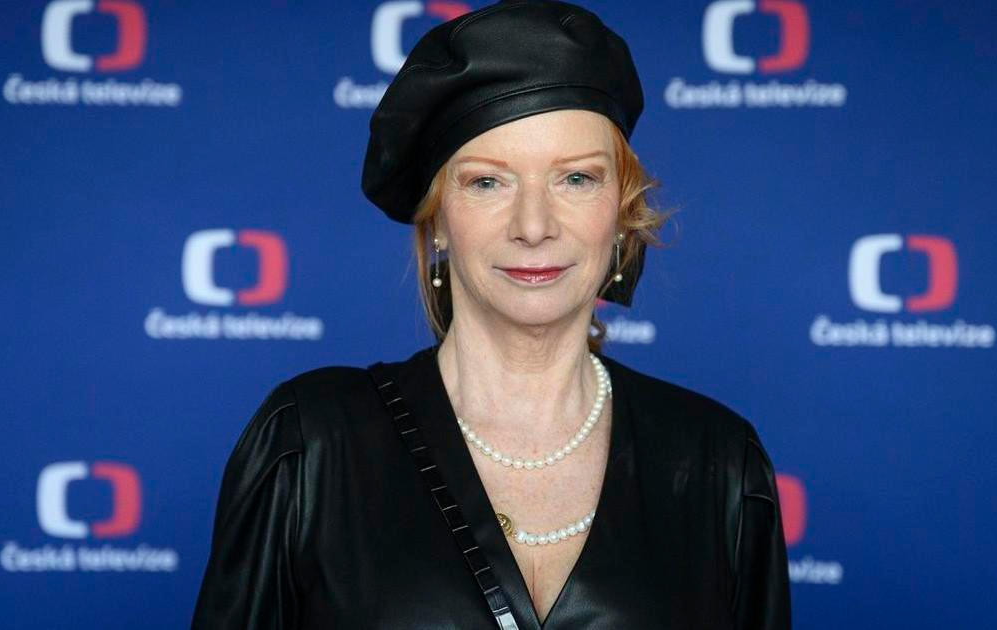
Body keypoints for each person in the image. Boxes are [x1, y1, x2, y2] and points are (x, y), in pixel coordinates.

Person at [191, 1, 791, 628]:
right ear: (437, 219)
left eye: (576, 179)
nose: (533, 226)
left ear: (620, 211)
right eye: (487, 182)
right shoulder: (310, 445)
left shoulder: (719, 461)